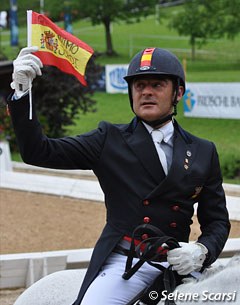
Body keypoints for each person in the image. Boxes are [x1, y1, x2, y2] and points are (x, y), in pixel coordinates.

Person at [8, 46, 230, 305]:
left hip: (182, 264)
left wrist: (202, 250)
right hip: (126, 265)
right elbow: (39, 152)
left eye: (157, 85)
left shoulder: (203, 150)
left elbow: (217, 221)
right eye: (139, 86)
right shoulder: (108, 139)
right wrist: (22, 92)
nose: (146, 92)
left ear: (178, 92)